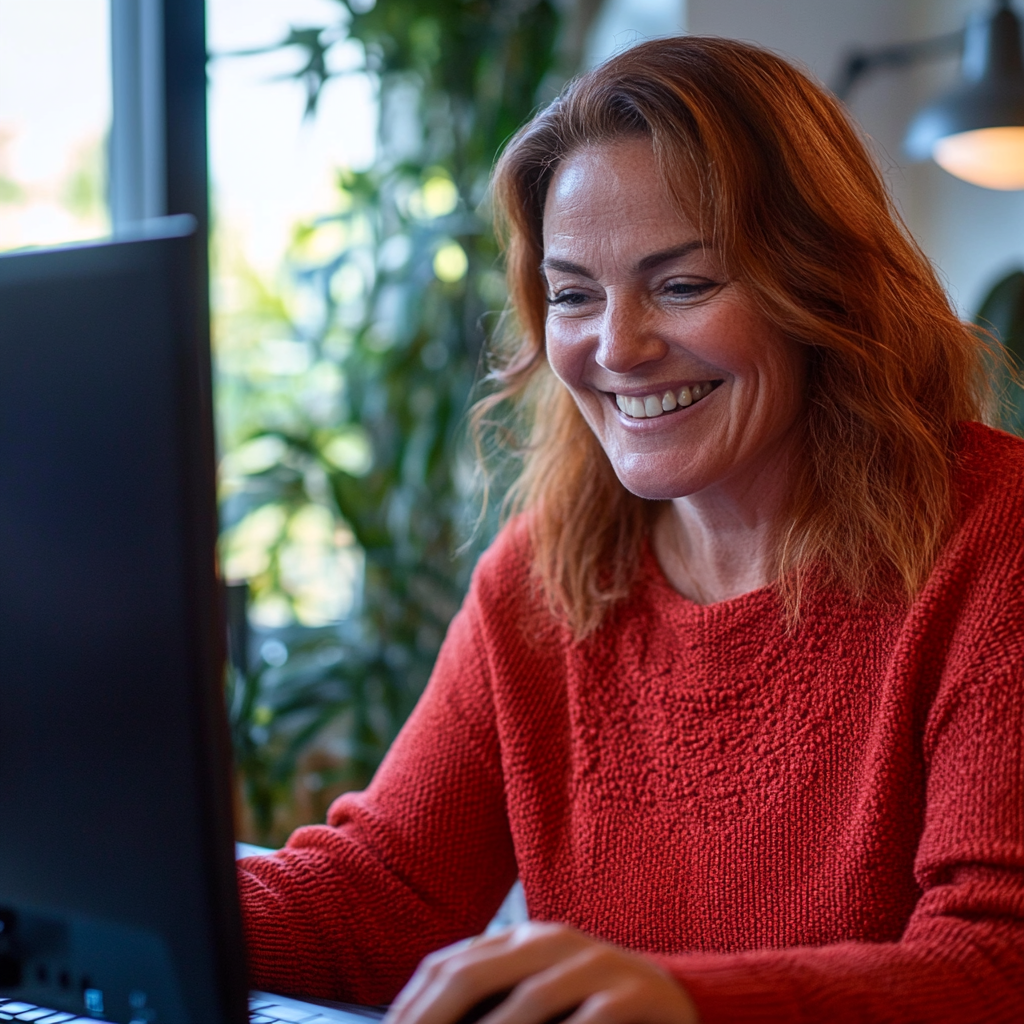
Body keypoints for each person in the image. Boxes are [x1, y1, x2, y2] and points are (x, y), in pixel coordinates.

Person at [238, 36, 1024, 1024]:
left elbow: (1000, 969)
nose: (617, 347)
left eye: (683, 284)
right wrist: (100, 894)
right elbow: (384, 894)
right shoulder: (544, 577)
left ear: (821, 286)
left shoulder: (998, 540)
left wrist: (679, 1003)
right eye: (573, 294)